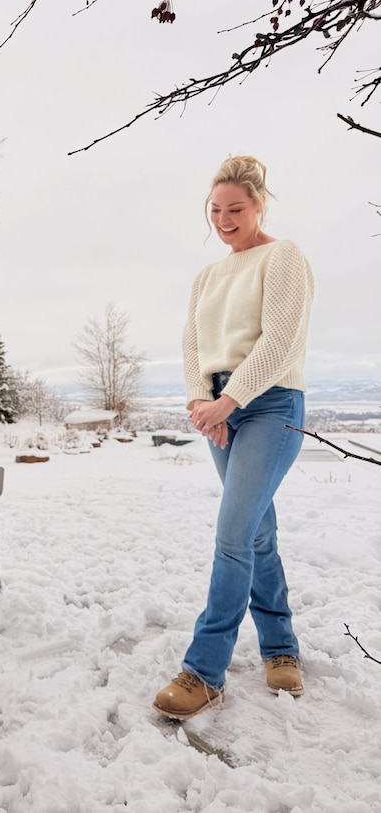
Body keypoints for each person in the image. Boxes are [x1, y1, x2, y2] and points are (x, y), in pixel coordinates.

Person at [153, 154, 314, 721]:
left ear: (258, 205)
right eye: (215, 210)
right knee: (256, 534)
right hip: (223, 407)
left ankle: (204, 671)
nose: (223, 219)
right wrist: (204, 401)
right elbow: (193, 343)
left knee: (232, 534)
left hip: (270, 404)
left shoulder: (283, 256)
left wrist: (231, 398)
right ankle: (280, 648)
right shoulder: (207, 275)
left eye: (235, 209)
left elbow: (280, 340)